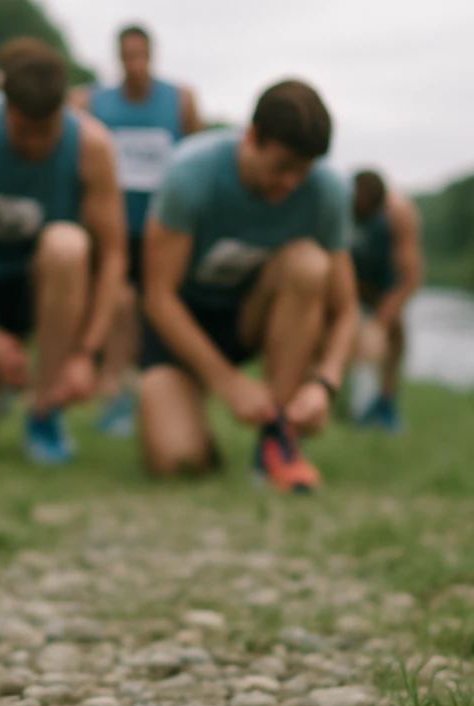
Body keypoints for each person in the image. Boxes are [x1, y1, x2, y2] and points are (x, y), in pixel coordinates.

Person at [140, 79, 359, 492]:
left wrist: (324, 384)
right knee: (178, 462)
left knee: (309, 264)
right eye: (282, 167)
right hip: (182, 325)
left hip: (248, 319)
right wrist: (227, 383)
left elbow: (345, 308)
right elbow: (158, 297)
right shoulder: (190, 172)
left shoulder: (327, 191)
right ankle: (185, 413)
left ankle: (276, 439)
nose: (292, 182)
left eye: (303, 170)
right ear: (252, 137)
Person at [0, 38, 125, 465]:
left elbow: (114, 255)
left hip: (44, 283)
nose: (33, 145)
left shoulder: (91, 144)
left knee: (67, 245)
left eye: (44, 132)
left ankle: (44, 409)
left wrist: (86, 353)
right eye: (23, 131)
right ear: (4, 103)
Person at [75, 24, 203, 437]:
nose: (135, 64)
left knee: (158, 306)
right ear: (118, 58)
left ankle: (158, 390)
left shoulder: (178, 101)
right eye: (127, 56)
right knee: (118, 302)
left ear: (152, 56)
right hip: (114, 227)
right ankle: (115, 393)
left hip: (161, 229)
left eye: (141, 55)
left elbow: (193, 160)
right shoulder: (96, 103)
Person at [348, 169, 423, 431]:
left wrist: (378, 325)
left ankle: (384, 403)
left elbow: (410, 279)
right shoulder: (336, 206)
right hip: (346, 284)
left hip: (382, 288)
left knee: (395, 331)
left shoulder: (399, 215)